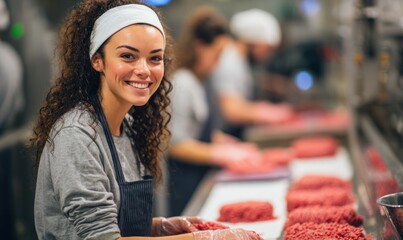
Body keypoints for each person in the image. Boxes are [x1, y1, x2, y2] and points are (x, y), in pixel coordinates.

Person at [30, 1, 262, 240]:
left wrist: (160, 227)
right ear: (97, 60)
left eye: (154, 58)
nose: (144, 70)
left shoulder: (127, 127)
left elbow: (116, 222)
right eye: (128, 56)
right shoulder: (76, 135)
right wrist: (202, 239)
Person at [167, 6, 261, 217]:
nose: (219, 63)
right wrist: (220, 154)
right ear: (200, 47)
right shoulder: (183, 83)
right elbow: (176, 144)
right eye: (217, 54)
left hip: (199, 177)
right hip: (184, 185)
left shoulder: (202, 82)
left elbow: (198, 130)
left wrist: (226, 143)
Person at [210, 8, 294, 139]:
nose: (268, 54)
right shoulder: (229, 61)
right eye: (267, 48)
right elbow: (231, 110)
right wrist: (267, 113)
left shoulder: (240, 61)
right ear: (253, 41)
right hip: (225, 136)